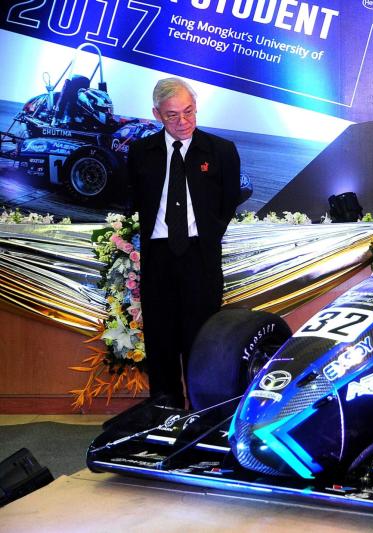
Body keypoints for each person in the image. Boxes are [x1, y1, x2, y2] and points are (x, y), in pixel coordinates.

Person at [128, 77, 241, 408]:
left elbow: (228, 202)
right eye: (172, 115)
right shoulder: (141, 152)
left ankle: (204, 413)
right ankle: (166, 413)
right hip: (158, 258)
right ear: (157, 115)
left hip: (200, 258)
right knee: (161, 341)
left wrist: (208, 234)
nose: (183, 121)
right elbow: (133, 198)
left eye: (188, 111)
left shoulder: (221, 151)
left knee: (202, 340)